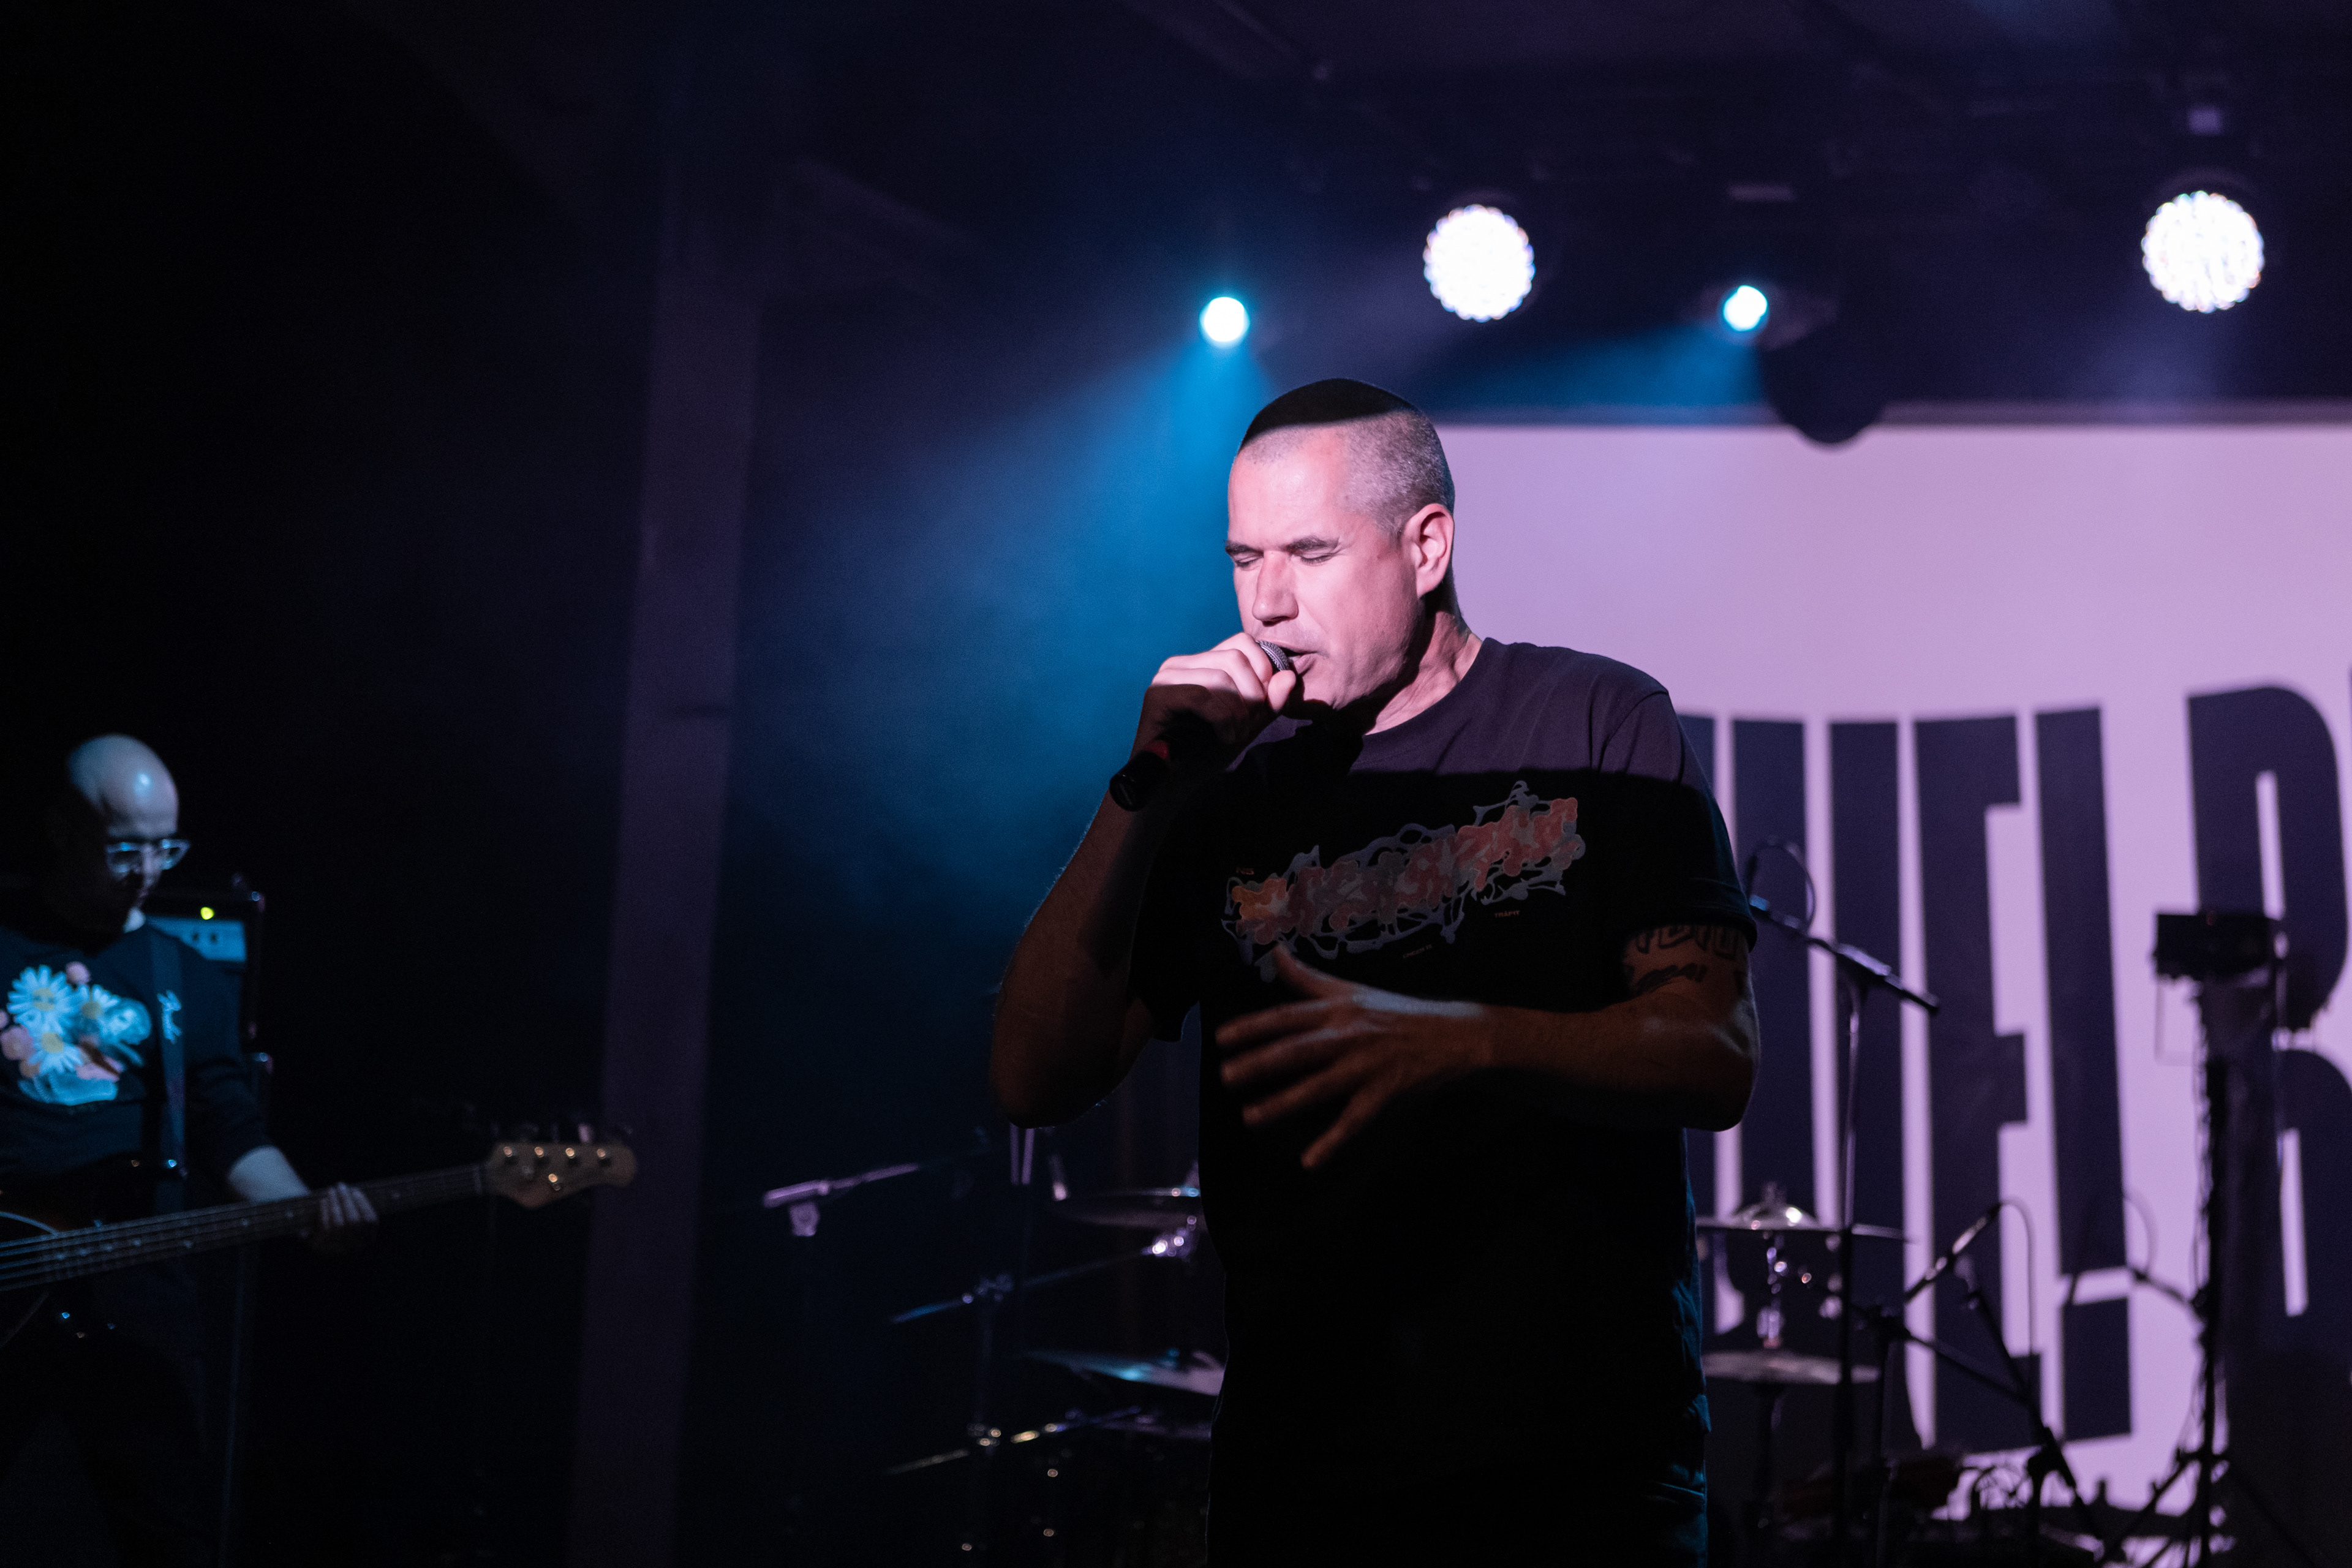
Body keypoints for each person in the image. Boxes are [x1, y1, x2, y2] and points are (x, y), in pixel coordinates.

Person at [991, 380, 1760, 1566]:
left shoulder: (1597, 720)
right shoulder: (1227, 791)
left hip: (1579, 1465)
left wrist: (1461, 1039)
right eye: (1245, 558)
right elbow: (1034, 1076)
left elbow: (1715, 1052)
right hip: (1306, 1470)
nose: (1267, 599)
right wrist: (1143, 789)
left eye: (1310, 553)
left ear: (1427, 546)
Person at [0, 734, 377, 1568]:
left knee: (171, 1538)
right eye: (123, 849)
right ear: (61, 831)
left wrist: (306, 1210)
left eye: (164, 848)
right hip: (9, 1264)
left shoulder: (186, 981)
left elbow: (229, 1129)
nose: (147, 871)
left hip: (134, 1287)